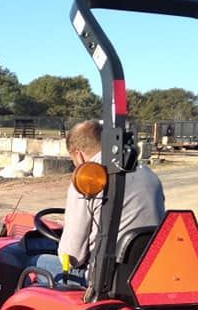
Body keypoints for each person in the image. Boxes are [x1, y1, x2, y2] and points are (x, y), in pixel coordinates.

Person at [33, 119, 165, 284]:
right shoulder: (148, 174)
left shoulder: (88, 180)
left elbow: (73, 257)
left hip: (104, 280)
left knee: (28, 261)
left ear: (78, 154)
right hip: (148, 273)